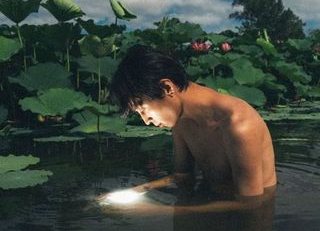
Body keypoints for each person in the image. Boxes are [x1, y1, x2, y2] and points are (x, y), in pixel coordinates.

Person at [109, 46, 277, 212]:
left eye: (143, 109)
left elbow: (252, 203)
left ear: (167, 88)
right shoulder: (181, 122)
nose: (146, 121)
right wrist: (140, 189)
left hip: (248, 223)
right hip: (210, 208)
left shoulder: (239, 125)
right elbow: (183, 176)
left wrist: (153, 210)